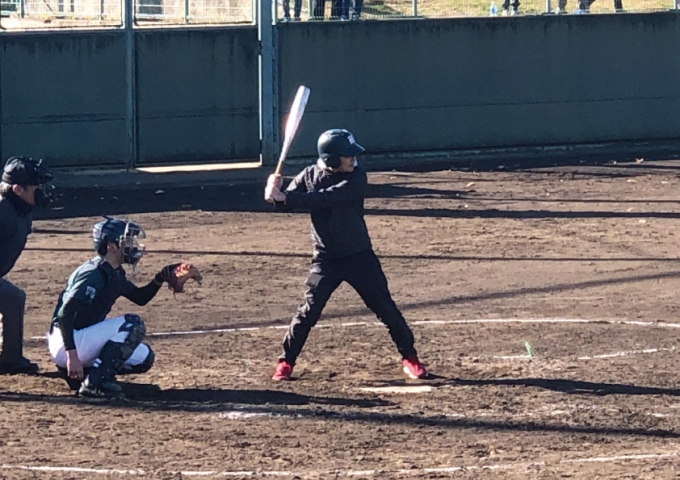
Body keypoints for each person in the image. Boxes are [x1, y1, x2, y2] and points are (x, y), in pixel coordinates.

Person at [264, 129, 428, 381]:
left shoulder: (357, 177)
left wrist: (284, 196)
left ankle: (410, 358)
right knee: (307, 313)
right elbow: (286, 203)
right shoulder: (309, 174)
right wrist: (274, 192)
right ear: (331, 158)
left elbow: (326, 198)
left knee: (386, 309)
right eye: (347, 155)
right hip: (326, 260)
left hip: (359, 257)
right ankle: (285, 362)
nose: (353, 159)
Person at [47, 217, 181, 399]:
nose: (132, 246)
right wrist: (72, 356)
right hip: (67, 341)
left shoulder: (113, 272)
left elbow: (140, 298)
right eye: (127, 242)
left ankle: (87, 376)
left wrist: (160, 278)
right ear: (111, 246)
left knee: (144, 357)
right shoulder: (93, 274)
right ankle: (94, 384)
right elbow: (65, 314)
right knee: (132, 324)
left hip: (81, 339)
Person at [0, 156, 54, 375]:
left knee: (13, 298)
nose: (42, 191)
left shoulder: (22, 208)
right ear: (17, 189)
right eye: (36, 187)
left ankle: (10, 360)